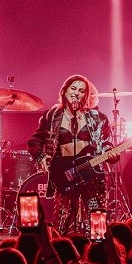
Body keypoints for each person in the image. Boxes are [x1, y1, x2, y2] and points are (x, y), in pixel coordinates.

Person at [27, 75, 115, 234]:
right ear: (64, 91)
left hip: (91, 173)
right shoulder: (52, 116)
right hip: (65, 173)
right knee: (64, 219)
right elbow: (35, 140)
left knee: (97, 220)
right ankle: (61, 246)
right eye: (73, 88)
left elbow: (106, 142)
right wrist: (41, 156)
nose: (76, 93)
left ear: (86, 95)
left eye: (81, 90)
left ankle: (99, 247)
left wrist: (109, 151)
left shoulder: (98, 118)